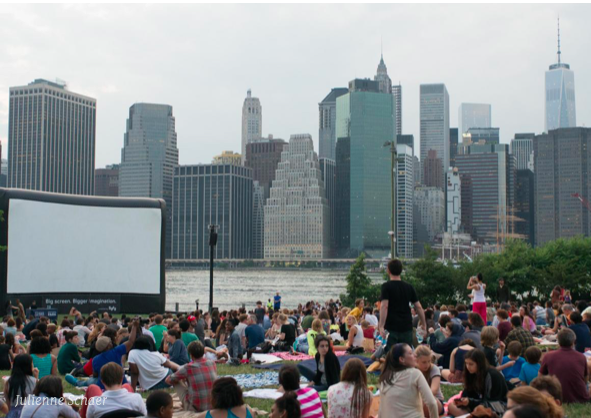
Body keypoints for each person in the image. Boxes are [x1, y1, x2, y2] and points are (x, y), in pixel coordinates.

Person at [378, 343, 439, 418]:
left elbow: (381, 409)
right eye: (410, 353)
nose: (415, 355)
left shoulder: (385, 377)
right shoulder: (414, 373)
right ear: (402, 359)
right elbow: (432, 403)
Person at [379, 259, 426, 350]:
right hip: (406, 326)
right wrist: (424, 324)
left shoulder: (386, 286)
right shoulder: (409, 287)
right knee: (406, 354)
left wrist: (381, 326)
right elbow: (419, 307)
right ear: (401, 270)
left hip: (391, 326)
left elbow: (384, 306)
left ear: (388, 270)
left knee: (391, 355)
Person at [447, 349, 508, 417]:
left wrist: (470, 402)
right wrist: (462, 401)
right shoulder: (471, 374)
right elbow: (467, 393)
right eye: (466, 363)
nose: (468, 367)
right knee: (451, 406)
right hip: (478, 405)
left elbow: (492, 403)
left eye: (471, 364)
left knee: (480, 410)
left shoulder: (492, 375)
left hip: (497, 407)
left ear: (479, 363)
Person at [539, 328, 589, 403]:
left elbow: (540, 377)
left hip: (557, 396)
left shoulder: (548, 356)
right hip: (580, 397)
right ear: (573, 342)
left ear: (558, 342)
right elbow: (585, 379)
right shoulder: (581, 357)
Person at [166, 341, 217, 412]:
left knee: (176, 381)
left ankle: (187, 404)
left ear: (191, 355)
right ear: (203, 352)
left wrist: (182, 378)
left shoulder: (188, 368)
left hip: (195, 408)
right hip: (213, 405)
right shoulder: (212, 363)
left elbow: (168, 380)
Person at [414, 345, 444, 417]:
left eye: (429, 361)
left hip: (434, 400)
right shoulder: (413, 370)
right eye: (424, 362)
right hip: (417, 401)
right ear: (416, 361)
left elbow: (434, 390)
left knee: (427, 402)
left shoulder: (434, 369)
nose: (427, 364)